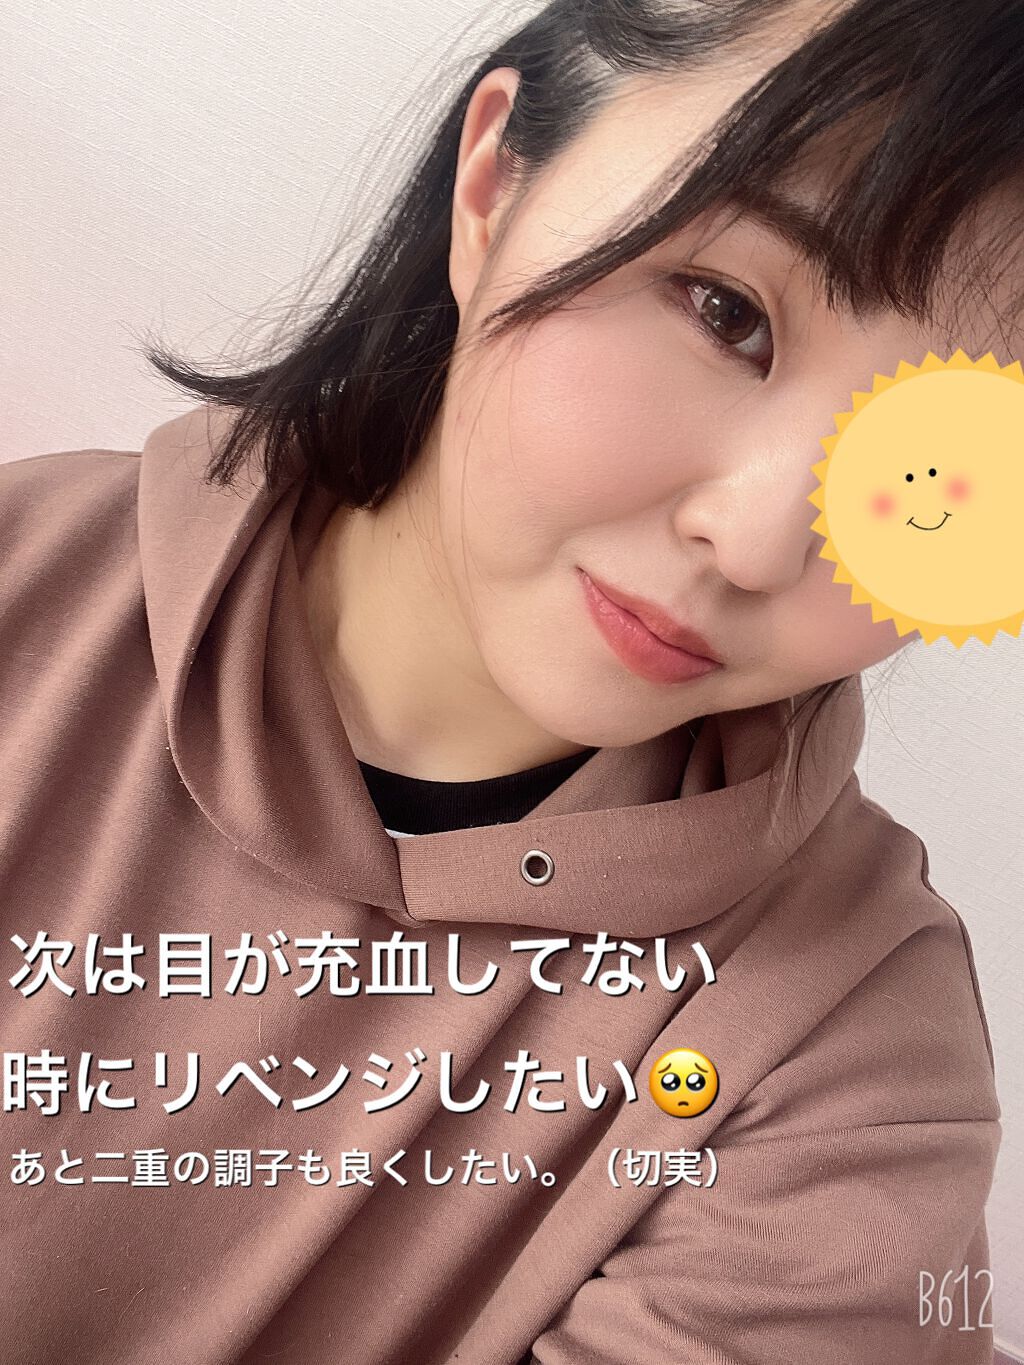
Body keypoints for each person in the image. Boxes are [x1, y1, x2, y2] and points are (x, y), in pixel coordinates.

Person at [0, 0, 1014, 1360]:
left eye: (953, 468)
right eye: (728, 314)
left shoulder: (851, 1045)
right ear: (493, 183)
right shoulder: (26, 596)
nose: (760, 540)